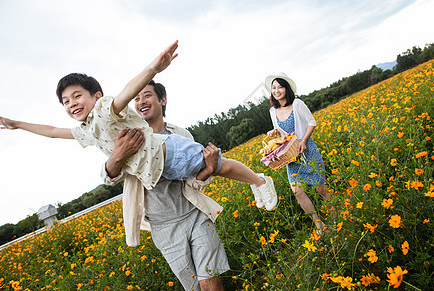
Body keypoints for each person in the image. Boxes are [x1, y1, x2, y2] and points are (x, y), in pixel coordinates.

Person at [0, 41, 277, 211]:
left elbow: (126, 91)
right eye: (65, 101)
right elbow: (52, 131)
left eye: (77, 96)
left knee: (220, 166)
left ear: (95, 95)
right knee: (215, 170)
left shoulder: (106, 110)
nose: (71, 103)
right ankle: (256, 182)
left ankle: (260, 181)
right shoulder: (86, 129)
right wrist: (17, 124)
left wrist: (153, 68)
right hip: (161, 167)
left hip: (169, 151)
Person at [102, 80, 228, 290]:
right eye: (137, 98)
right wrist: (116, 156)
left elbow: (194, 180)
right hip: (163, 227)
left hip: (194, 214)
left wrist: (209, 168)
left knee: (211, 281)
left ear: (163, 99)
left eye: (147, 95)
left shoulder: (181, 135)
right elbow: (109, 177)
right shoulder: (129, 138)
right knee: (194, 286)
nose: (141, 101)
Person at [265, 73, 332, 234]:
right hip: (291, 157)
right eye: (274, 88)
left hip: (307, 151)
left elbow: (312, 122)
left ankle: (336, 217)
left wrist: (303, 140)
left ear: (286, 88)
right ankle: (319, 225)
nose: (277, 90)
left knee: (320, 189)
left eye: (280, 86)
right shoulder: (273, 111)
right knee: (298, 192)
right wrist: (274, 132)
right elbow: (282, 134)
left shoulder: (297, 104)